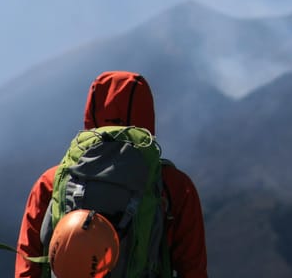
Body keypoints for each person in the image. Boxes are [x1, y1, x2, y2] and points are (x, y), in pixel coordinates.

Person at [15, 71, 208, 278]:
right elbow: (192, 268)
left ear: (91, 112)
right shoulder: (173, 184)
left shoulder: (52, 181)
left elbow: (26, 265)